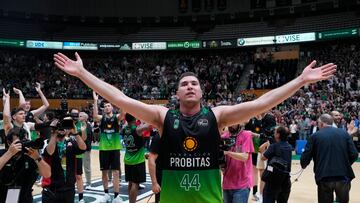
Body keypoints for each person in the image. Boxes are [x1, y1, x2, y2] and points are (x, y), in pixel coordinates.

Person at [53, 52, 336, 202]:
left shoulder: (218, 115)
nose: (190, 86)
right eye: (184, 84)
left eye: (194, 84)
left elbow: (261, 104)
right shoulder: (162, 116)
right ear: (176, 94)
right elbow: (119, 98)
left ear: (202, 92)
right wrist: (82, 73)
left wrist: (300, 81)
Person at [300, 114, 358, 203]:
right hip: (343, 175)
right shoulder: (344, 133)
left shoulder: (315, 136)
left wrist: (303, 165)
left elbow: (306, 156)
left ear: (322, 124)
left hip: (324, 176)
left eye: (318, 123)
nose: (318, 125)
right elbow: (354, 154)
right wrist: (345, 164)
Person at [0, 127, 51, 203]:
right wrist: (9, 153)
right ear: (9, 143)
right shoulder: (2, 154)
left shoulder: (31, 156)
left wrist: (37, 158)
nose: (22, 144)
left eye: (25, 141)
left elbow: (47, 174)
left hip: (25, 198)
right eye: (18, 142)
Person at [41, 118, 87, 203]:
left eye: (64, 126)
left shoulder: (71, 141)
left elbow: (83, 148)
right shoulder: (46, 142)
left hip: (69, 188)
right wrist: (54, 132)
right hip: (52, 189)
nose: (62, 128)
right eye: (60, 126)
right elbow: (49, 152)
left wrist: (76, 133)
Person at [92, 91, 123, 203]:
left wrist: (121, 100)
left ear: (112, 107)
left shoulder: (116, 118)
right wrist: (95, 101)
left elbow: (123, 114)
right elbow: (95, 116)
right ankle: (106, 194)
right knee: (104, 172)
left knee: (115, 172)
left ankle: (116, 196)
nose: (106, 107)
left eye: (108, 105)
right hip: (104, 148)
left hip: (115, 148)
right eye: (105, 106)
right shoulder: (102, 118)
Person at [222, 123, 254, 203]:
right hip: (227, 183)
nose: (231, 124)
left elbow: (244, 157)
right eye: (230, 122)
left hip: (242, 184)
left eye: (234, 122)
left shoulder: (246, 135)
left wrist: (227, 153)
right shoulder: (224, 137)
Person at [121, 114, 149, 203]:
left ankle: (130, 201)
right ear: (135, 118)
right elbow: (149, 125)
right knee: (135, 184)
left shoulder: (124, 128)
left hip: (128, 159)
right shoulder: (137, 129)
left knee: (130, 182)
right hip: (137, 160)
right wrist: (142, 117)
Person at [261, 126, 292, 203]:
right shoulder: (289, 147)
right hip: (285, 179)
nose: (273, 134)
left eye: (275, 132)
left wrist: (262, 150)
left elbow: (263, 158)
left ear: (278, 135)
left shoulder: (273, 146)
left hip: (272, 179)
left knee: (268, 199)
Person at [148, 131, 162, 203]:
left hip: (174, 177)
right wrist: (154, 183)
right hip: (161, 176)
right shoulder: (158, 137)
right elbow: (151, 159)